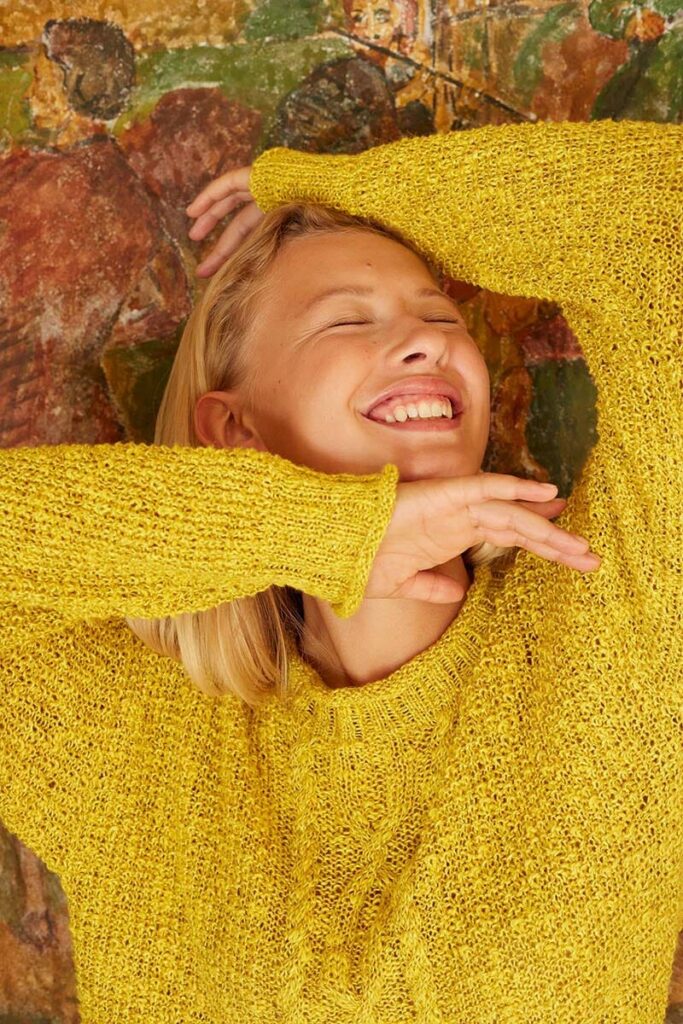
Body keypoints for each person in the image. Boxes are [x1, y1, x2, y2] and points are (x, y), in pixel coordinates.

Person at [0, 118, 680, 1023]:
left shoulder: (619, 616)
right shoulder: (123, 736)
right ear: (233, 429)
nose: (427, 343)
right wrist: (338, 532)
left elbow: (662, 218)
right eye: (348, 320)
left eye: (440, 317)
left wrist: (333, 188)